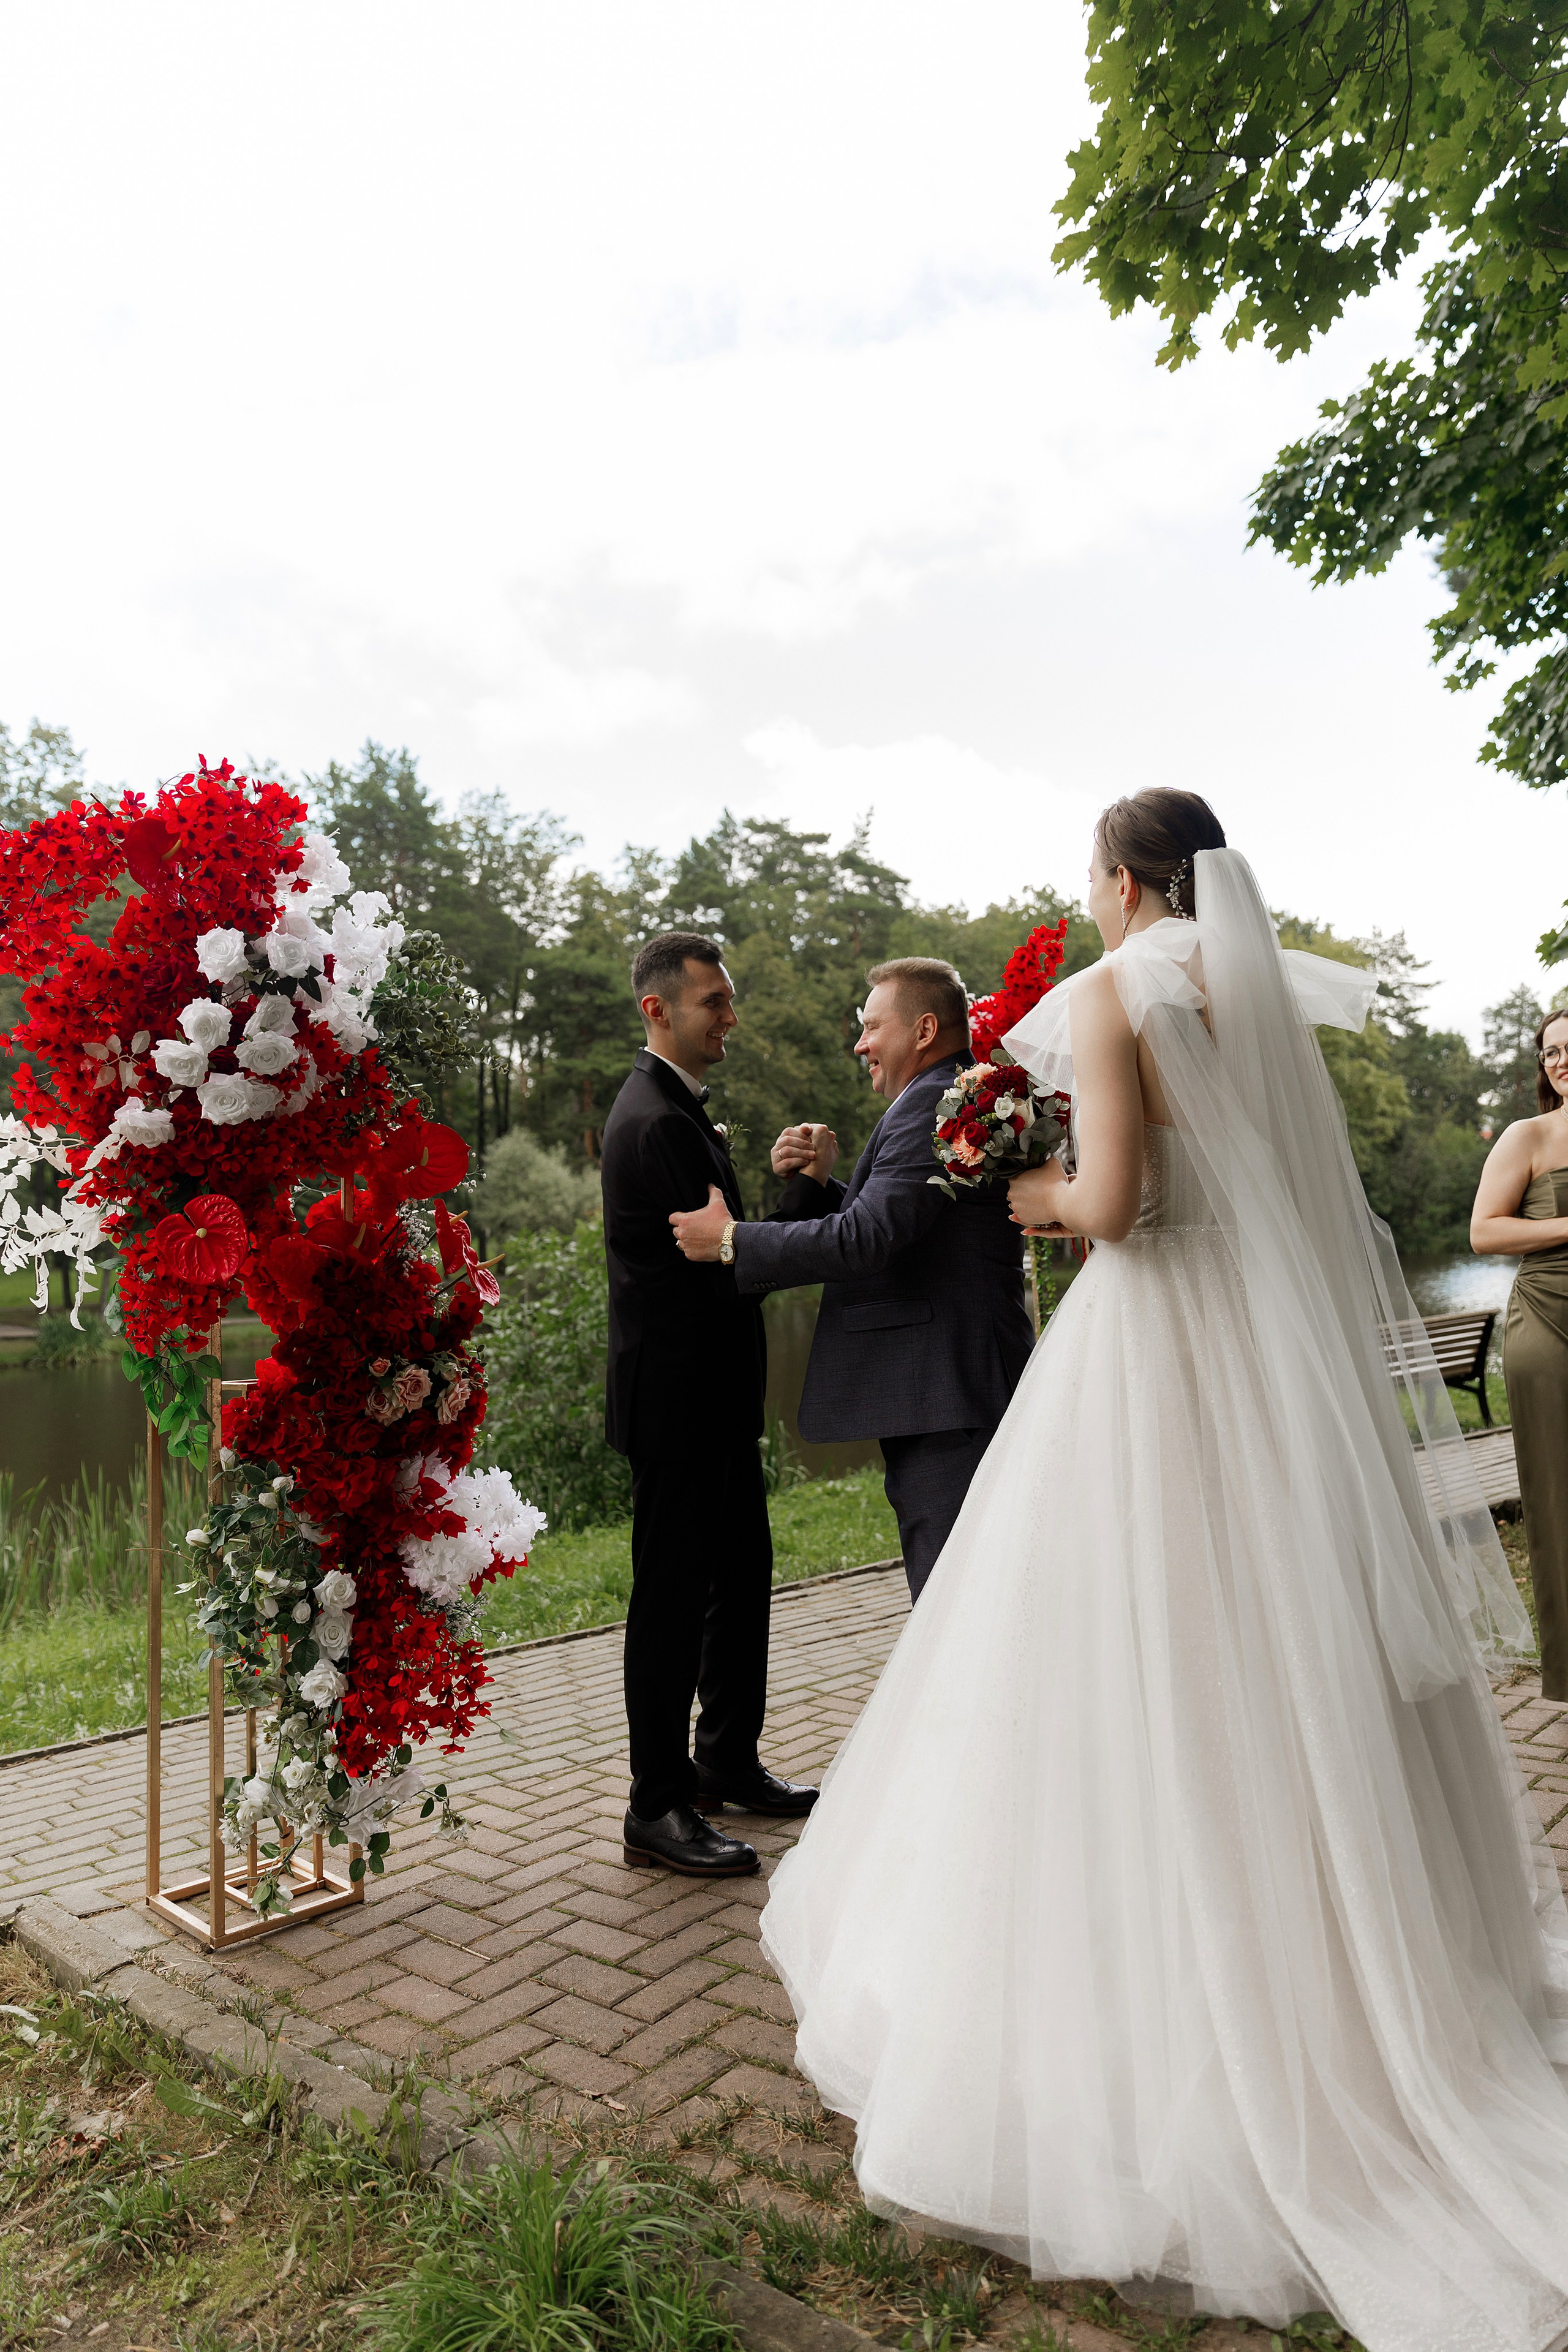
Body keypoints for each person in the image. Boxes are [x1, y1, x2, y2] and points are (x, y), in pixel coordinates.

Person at [760, 790, 1568, 2352]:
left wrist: (1027, 1195)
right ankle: (1395, 1974)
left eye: (1091, 873)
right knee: (1280, 1639)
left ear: (1127, 881)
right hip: (1266, 1372)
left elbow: (1118, 1202)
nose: (1091, 897)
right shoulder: (1251, 991)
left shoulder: (1119, 988)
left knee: (1135, 1648)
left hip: (1150, 1355)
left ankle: (1183, 2014)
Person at [669, 958, 1035, 1603]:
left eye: (871, 1027)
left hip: (947, 1393)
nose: (860, 1043)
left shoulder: (932, 1106)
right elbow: (908, 1222)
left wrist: (729, 1240)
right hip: (951, 1387)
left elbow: (866, 1239)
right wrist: (821, 1184)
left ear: (923, 1029)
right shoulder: (945, 1095)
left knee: (957, 1604)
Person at [599, 930, 817, 1882]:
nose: (731, 1017)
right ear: (659, 1009)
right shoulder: (654, 1121)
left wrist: (786, 1194)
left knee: (742, 1588)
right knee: (674, 1608)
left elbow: (731, 1249)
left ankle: (724, 1760)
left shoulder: (678, 1112)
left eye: (728, 1000)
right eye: (713, 1003)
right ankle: (656, 1805)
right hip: (679, 1409)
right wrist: (797, 1204)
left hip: (713, 1405)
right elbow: (726, 1262)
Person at [1472, 1005, 1568, 1698]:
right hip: (1549, 1325)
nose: (1559, 1061)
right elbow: (1484, 1232)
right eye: (1549, 1052)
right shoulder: (1527, 1136)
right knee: (1559, 1499)